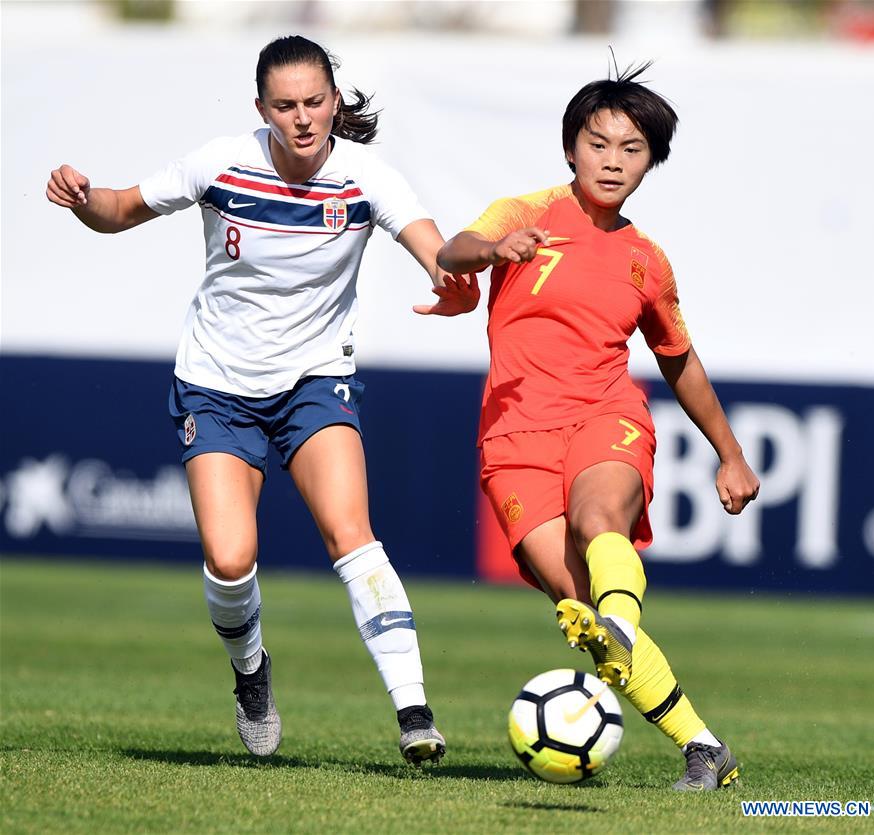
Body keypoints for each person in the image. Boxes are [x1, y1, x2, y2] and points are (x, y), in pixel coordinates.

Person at [46, 34, 476, 765]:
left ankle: (413, 710)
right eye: (286, 105)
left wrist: (475, 261)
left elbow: (439, 252)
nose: (303, 118)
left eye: (315, 102)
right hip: (216, 383)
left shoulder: (368, 178)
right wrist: (84, 198)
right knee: (229, 556)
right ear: (261, 108)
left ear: (335, 102)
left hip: (314, 380)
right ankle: (251, 674)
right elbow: (118, 210)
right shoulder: (219, 163)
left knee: (352, 534)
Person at [433, 63, 760, 790]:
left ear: (651, 161)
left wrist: (729, 453)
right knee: (575, 603)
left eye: (632, 148)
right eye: (598, 142)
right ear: (570, 148)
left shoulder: (647, 261)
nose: (612, 160)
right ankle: (704, 748)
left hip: (603, 412)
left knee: (598, 518)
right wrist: (492, 252)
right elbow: (453, 248)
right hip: (514, 434)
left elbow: (679, 361)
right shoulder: (522, 213)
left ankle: (616, 621)